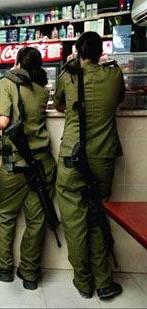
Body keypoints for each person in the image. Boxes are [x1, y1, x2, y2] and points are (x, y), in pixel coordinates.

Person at [54, 31, 125, 300]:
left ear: (77, 51)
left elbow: (59, 105)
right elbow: (119, 101)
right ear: (100, 52)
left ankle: (83, 282)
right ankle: (104, 281)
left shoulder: (68, 76)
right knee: (98, 217)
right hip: (103, 156)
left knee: (74, 222)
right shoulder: (114, 74)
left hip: (73, 157)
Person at [0, 47, 56, 290]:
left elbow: (3, 122)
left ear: (17, 61)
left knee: (4, 215)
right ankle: (30, 273)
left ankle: (3, 267)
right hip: (43, 163)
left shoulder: (7, 83)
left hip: (16, 165)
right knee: (37, 220)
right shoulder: (43, 90)